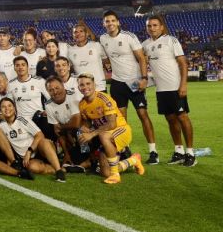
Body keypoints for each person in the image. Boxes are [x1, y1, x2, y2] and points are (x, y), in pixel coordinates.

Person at [100, 10, 158, 164]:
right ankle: (124, 150)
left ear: (118, 22)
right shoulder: (103, 38)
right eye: (107, 21)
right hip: (117, 83)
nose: (110, 23)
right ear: (103, 24)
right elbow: (106, 59)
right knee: (121, 120)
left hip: (134, 81)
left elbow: (141, 58)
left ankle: (153, 151)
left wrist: (144, 78)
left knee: (143, 115)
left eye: (113, 20)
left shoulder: (129, 36)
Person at [142, 15, 196, 166]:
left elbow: (183, 63)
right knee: (170, 119)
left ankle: (190, 153)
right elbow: (141, 59)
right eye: (149, 26)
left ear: (161, 27)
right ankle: (178, 151)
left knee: (182, 117)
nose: (152, 28)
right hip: (161, 89)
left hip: (175, 86)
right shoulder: (145, 44)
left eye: (154, 25)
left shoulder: (171, 40)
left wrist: (183, 84)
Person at [77, 73, 145, 184]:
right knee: (105, 172)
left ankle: (115, 175)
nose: (85, 87)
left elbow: (112, 124)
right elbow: (87, 121)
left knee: (103, 135)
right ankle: (134, 160)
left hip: (122, 130)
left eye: (88, 84)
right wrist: (85, 128)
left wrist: (92, 134)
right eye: (82, 85)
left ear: (94, 84)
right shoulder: (82, 104)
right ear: (78, 88)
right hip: (106, 137)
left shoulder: (104, 98)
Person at [0, 98, 67, 182]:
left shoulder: (22, 120)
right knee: (32, 168)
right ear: (0, 110)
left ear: (14, 108)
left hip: (39, 149)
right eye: (3, 107)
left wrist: (29, 151)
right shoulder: (1, 126)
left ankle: (59, 171)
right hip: (28, 160)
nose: (7, 108)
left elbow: (39, 135)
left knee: (44, 142)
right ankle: (59, 169)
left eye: (9, 106)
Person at [44, 76, 88, 172]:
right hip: (70, 134)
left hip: (86, 129)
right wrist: (66, 153)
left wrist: (63, 128)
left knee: (81, 131)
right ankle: (71, 158)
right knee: (72, 157)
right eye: (51, 90)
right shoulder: (48, 105)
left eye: (57, 88)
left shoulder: (74, 96)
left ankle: (90, 159)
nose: (55, 92)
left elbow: (76, 123)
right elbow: (57, 132)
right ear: (47, 92)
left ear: (63, 86)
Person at [7, 56, 50, 139]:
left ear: (27, 67)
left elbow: (50, 99)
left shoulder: (39, 81)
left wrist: (47, 111)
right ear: (14, 68)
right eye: (17, 65)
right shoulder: (11, 84)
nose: (20, 67)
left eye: (23, 65)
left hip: (38, 118)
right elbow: (10, 104)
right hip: (22, 121)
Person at [68, 23, 107, 91]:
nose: (78, 34)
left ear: (86, 34)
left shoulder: (96, 46)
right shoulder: (70, 51)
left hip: (99, 87)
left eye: (81, 31)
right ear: (73, 35)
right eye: (75, 32)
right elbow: (69, 68)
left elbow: (105, 60)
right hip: (82, 89)